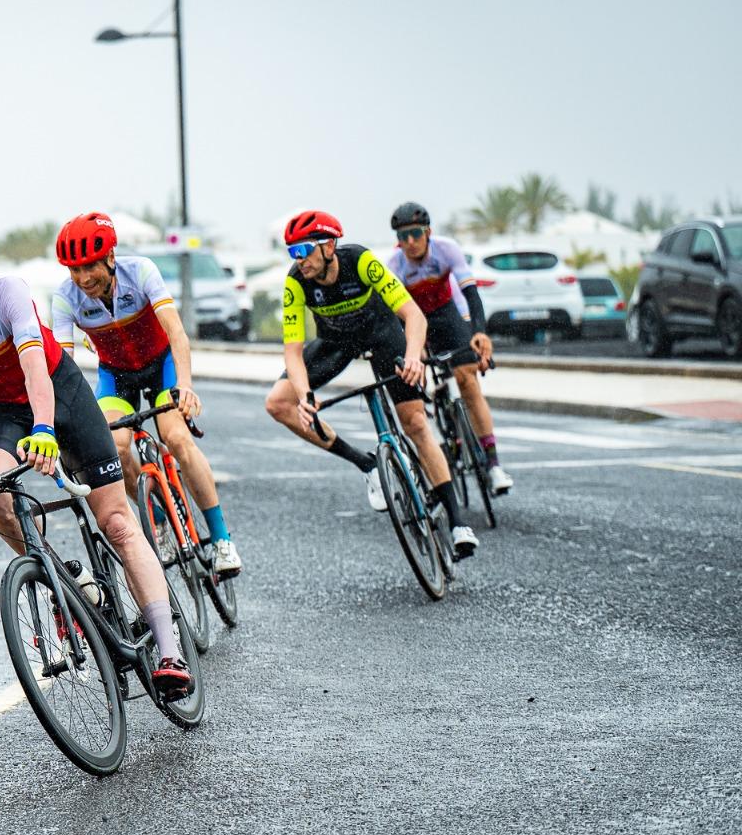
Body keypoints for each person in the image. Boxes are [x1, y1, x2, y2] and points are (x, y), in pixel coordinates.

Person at [0, 222, 194, 695]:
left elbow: (35, 367)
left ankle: (169, 648)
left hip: (62, 395)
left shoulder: (6, 294)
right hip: (1, 412)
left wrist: (44, 429)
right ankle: (68, 587)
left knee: (116, 521)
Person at [263, 210, 478, 559]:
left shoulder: (361, 261)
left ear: (329, 246)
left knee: (415, 423)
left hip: (383, 337)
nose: (298, 261)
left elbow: (413, 315)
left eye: (303, 251)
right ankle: (367, 465)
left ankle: (457, 523)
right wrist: (305, 397)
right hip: (336, 343)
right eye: (292, 253)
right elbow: (293, 350)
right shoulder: (296, 282)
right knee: (278, 403)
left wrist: (412, 357)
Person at [50, 212, 242, 577]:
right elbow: (65, 364)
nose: (82, 278)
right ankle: (159, 520)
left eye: (89, 266)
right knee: (114, 448)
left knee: (176, 437)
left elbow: (176, 332)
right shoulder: (65, 297)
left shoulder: (140, 272)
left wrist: (184, 385)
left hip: (161, 366)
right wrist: (65, 417)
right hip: (116, 376)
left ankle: (220, 539)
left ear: (110, 257)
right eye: (73, 269)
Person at [384, 202, 514, 495]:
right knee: (415, 366)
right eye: (403, 237)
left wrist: (479, 333)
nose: (410, 242)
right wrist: (412, 353)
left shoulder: (446, 250)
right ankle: (438, 412)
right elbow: (395, 318)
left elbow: (470, 294)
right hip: (416, 320)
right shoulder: (395, 266)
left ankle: (493, 464)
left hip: (447, 313)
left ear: (428, 232)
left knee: (468, 380)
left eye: (416, 234)